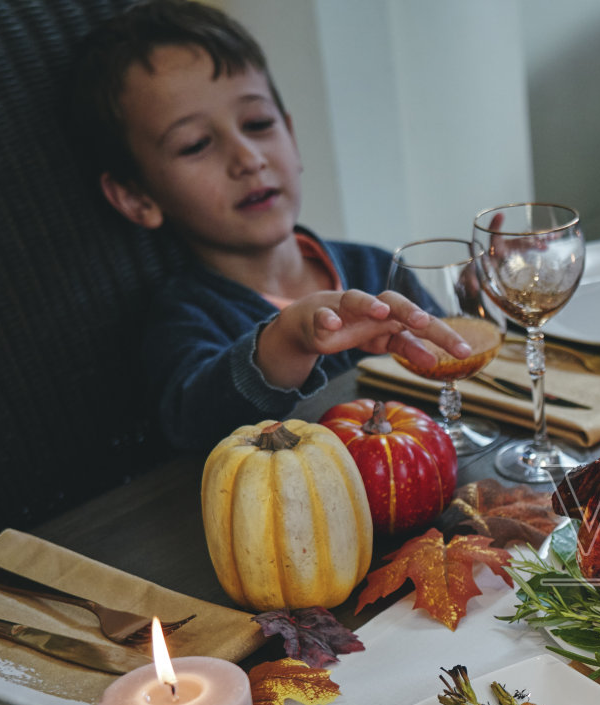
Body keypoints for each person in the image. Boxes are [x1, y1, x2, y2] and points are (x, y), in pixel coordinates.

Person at [70, 0, 471, 451]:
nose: (247, 158)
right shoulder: (184, 318)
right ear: (137, 197)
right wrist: (288, 341)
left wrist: (482, 304)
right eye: (196, 144)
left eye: (258, 123)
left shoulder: (374, 268)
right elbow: (198, 427)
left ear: (292, 137)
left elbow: (455, 373)